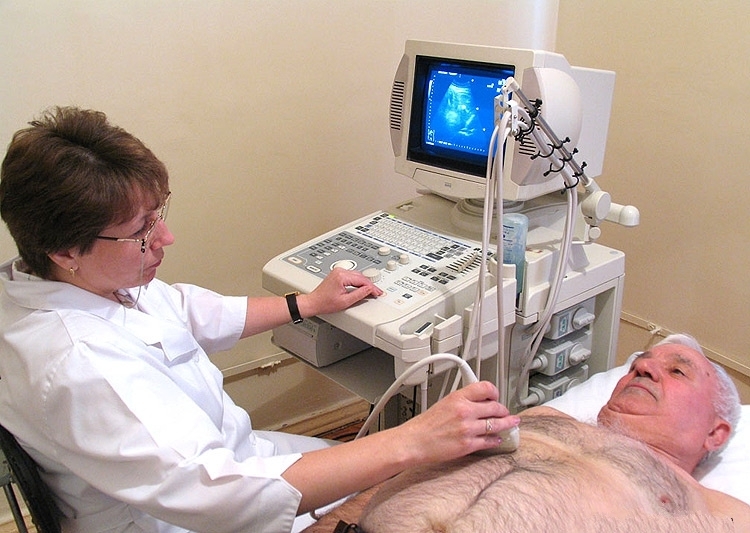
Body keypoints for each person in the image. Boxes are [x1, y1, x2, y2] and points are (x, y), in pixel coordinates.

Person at [0, 106, 521, 533]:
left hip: (236, 457)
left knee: (386, 470)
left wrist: (307, 304)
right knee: (410, 493)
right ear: (66, 250)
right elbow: (219, 492)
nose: (165, 239)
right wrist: (412, 440)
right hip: (193, 514)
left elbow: (184, 311)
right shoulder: (79, 365)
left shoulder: (62, 278)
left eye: (160, 214)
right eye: (142, 231)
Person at [306, 334, 750, 532]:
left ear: (716, 433)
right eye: (638, 364)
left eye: (677, 371)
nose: (644, 368)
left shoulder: (715, 507)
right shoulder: (545, 420)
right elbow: (408, 475)